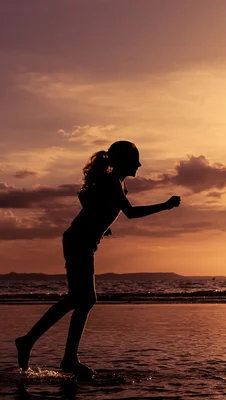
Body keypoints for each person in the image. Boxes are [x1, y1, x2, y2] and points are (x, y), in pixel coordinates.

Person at [15, 141, 181, 378]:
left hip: (81, 241)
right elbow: (131, 213)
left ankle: (46, 348)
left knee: (80, 300)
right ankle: (48, 349)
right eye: (136, 159)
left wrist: (101, 224)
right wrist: (165, 206)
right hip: (78, 241)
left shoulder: (115, 182)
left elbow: (85, 198)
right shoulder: (113, 182)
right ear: (124, 161)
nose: (140, 164)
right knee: (83, 299)